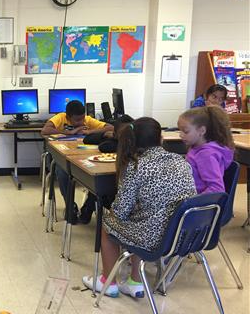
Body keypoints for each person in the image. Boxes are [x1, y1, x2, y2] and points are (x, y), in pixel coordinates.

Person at [82, 117, 196, 298]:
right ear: (161, 139)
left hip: (154, 238)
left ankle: (108, 282)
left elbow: (120, 212)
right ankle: (135, 282)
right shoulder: (181, 161)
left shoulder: (136, 166)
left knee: (108, 224)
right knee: (141, 221)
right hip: (185, 236)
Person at [41, 100, 113, 224]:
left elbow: (110, 127)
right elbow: (45, 130)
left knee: (97, 175)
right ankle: (70, 206)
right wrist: (69, 132)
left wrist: (89, 132)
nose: (81, 122)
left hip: (83, 156)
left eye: (82, 118)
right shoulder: (60, 118)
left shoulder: (87, 120)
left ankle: (88, 207)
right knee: (62, 171)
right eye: (77, 120)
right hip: (62, 157)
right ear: (68, 117)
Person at [78, 114, 134, 224]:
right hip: (114, 184)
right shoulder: (115, 142)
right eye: (123, 133)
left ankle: (87, 210)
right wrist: (105, 134)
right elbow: (90, 140)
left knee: (99, 187)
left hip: (124, 196)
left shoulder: (136, 144)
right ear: (116, 133)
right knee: (99, 184)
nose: (126, 136)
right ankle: (87, 210)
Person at [178, 106, 234, 193]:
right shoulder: (195, 148)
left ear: (202, 131)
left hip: (197, 199)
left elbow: (217, 188)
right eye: (180, 130)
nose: (180, 135)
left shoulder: (206, 155)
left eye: (185, 131)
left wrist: (193, 199)